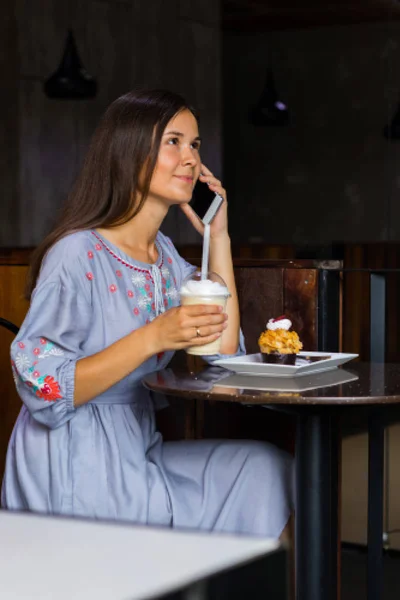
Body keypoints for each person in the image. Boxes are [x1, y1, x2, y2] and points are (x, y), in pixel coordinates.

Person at [1, 89, 293, 539]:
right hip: (72, 455)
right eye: (173, 141)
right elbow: (39, 384)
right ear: (129, 151)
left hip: (139, 447)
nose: (190, 158)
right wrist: (154, 336)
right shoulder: (77, 253)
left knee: (262, 469)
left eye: (195, 144)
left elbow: (222, 349)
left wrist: (220, 238)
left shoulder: (168, 258)